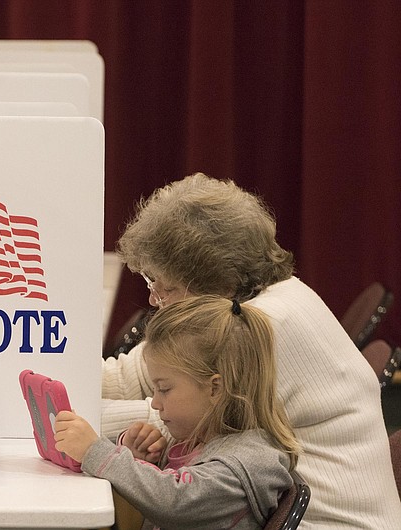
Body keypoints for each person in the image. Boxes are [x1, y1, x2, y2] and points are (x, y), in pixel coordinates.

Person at [102, 173, 401, 528]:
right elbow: (128, 379)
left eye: (165, 286)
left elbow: (170, 424)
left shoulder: (259, 324)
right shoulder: (248, 303)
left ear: (209, 281)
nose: (155, 300)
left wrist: (64, 427)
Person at [56, 295, 300, 529]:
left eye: (164, 389)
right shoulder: (195, 439)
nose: (155, 403)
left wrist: (95, 452)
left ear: (215, 388)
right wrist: (138, 455)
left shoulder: (246, 464)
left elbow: (174, 500)